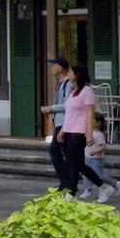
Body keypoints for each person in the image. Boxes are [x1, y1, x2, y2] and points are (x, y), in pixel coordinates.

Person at [59, 64, 120, 203]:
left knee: (72, 162)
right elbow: (69, 113)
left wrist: (89, 134)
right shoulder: (73, 91)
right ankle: (104, 187)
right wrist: (63, 129)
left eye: (70, 72)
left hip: (79, 131)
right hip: (69, 130)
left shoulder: (87, 91)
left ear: (77, 75)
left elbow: (90, 114)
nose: (68, 74)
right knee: (79, 164)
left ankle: (71, 193)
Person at [41, 57, 73, 187]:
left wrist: (51, 108)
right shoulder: (61, 84)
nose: (51, 68)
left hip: (65, 123)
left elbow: (69, 104)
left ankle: (66, 181)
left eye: (54, 65)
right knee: (67, 153)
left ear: (60, 68)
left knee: (54, 150)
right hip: (60, 122)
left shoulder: (68, 84)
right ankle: (69, 183)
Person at [78, 113, 120, 198]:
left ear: (98, 123)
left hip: (96, 159)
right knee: (86, 174)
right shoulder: (88, 132)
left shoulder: (99, 134)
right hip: (87, 157)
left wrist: (95, 152)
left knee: (99, 175)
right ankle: (87, 190)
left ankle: (115, 183)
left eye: (91, 120)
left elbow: (103, 147)